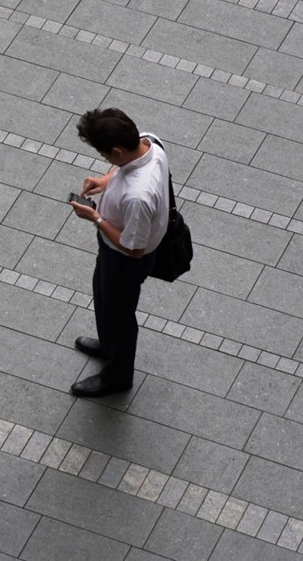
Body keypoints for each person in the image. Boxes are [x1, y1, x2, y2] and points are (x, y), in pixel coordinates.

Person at [67, 108, 170, 397]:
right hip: (113, 252)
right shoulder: (149, 142)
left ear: (117, 150)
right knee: (104, 297)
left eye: (106, 157)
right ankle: (108, 341)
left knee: (120, 315)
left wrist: (96, 219)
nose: (106, 162)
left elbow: (133, 248)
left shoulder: (139, 196)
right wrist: (106, 180)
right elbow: (123, 168)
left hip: (124, 260)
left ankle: (118, 376)